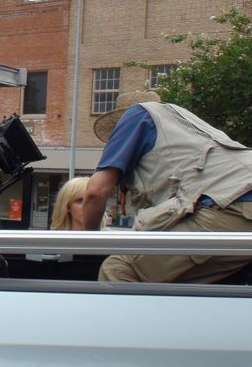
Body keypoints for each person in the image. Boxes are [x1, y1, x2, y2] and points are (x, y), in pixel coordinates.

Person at [83, 91, 252, 283]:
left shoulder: (137, 115)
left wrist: (87, 245)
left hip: (233, 206)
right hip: (237, 206)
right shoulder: (185, 126)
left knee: (119, 269)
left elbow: (95, 192)